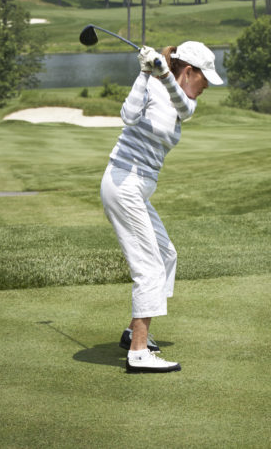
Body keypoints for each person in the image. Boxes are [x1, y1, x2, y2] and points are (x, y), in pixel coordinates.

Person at [100, 41, 223, 373]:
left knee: (167, 255)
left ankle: (132, 332)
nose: (208, 85)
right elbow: (127, 116)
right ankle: (138, 353)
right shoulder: (151, 87)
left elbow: (182, 107)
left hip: (138, 189)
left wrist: (165, 73)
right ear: (189, 71)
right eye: (205, 78)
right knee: (150, 268)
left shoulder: (182, 100)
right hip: (123, 183)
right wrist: (143, 73)